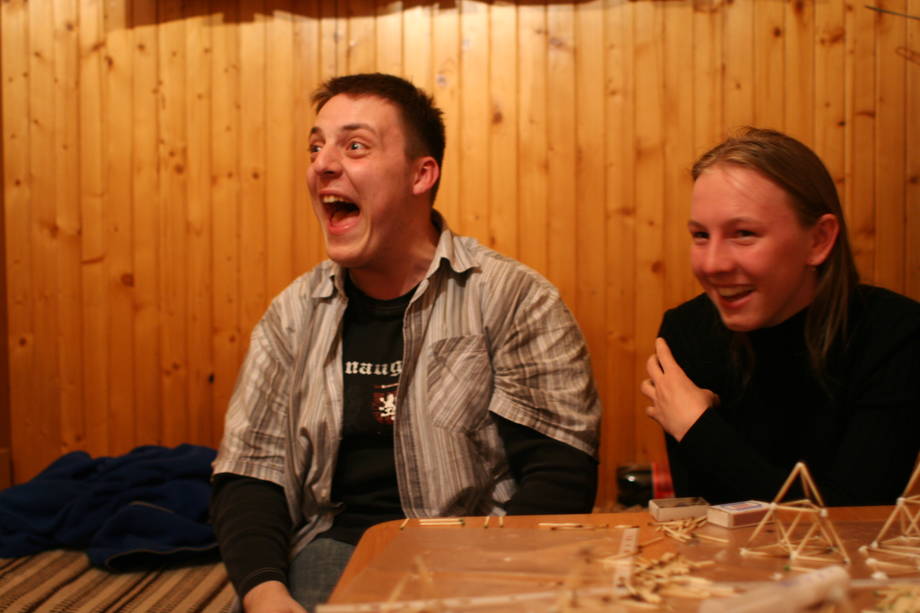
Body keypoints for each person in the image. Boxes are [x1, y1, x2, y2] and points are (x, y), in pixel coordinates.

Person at [210, 73, 602, 613]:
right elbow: (250, 473)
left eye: (354, 146)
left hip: (482, 555)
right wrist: (265, 594)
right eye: (316, 147)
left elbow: (560, 473)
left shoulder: (514, 298)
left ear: (421, 174)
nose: (323, 164)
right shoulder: (292, 315)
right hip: (334, 547)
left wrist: (489, 584)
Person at [641, 127, 920, 508]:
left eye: (744, 233)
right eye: (701, 235)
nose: (712, 264)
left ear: (818, 240)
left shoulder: (895, 333)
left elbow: (849, 520)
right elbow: (707, 516)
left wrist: (696, 427)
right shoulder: (686, 331)